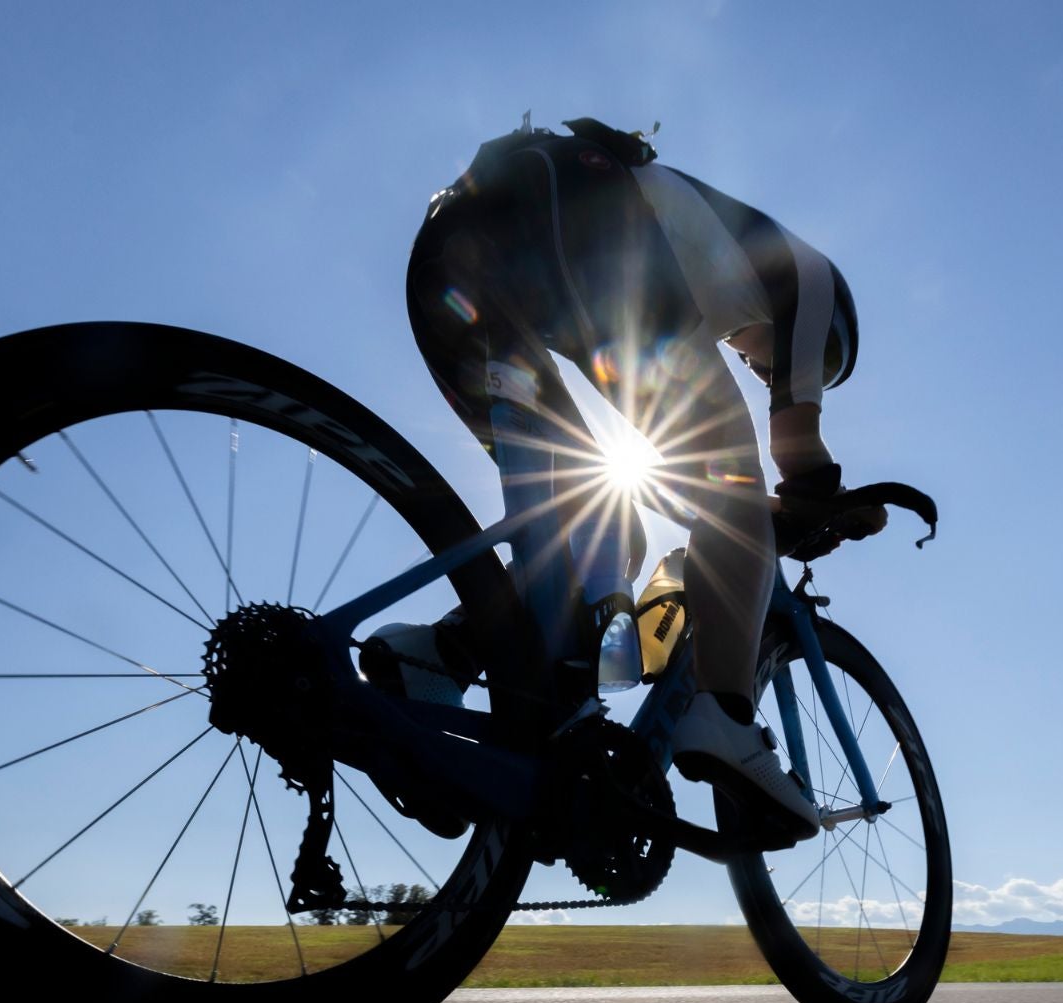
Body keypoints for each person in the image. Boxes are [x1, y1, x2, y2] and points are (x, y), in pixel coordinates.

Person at [370, 116, 881, 843]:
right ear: (833, 340)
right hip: (574, 224)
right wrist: (824, 500)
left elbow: (683, 470)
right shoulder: (814, 280)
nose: (769, 372)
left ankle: (432, 659)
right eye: (814, 367)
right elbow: (797, 450)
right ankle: (726, 718)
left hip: (455, 256)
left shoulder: (703, 276)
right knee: (735, 478)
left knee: (598, 523)